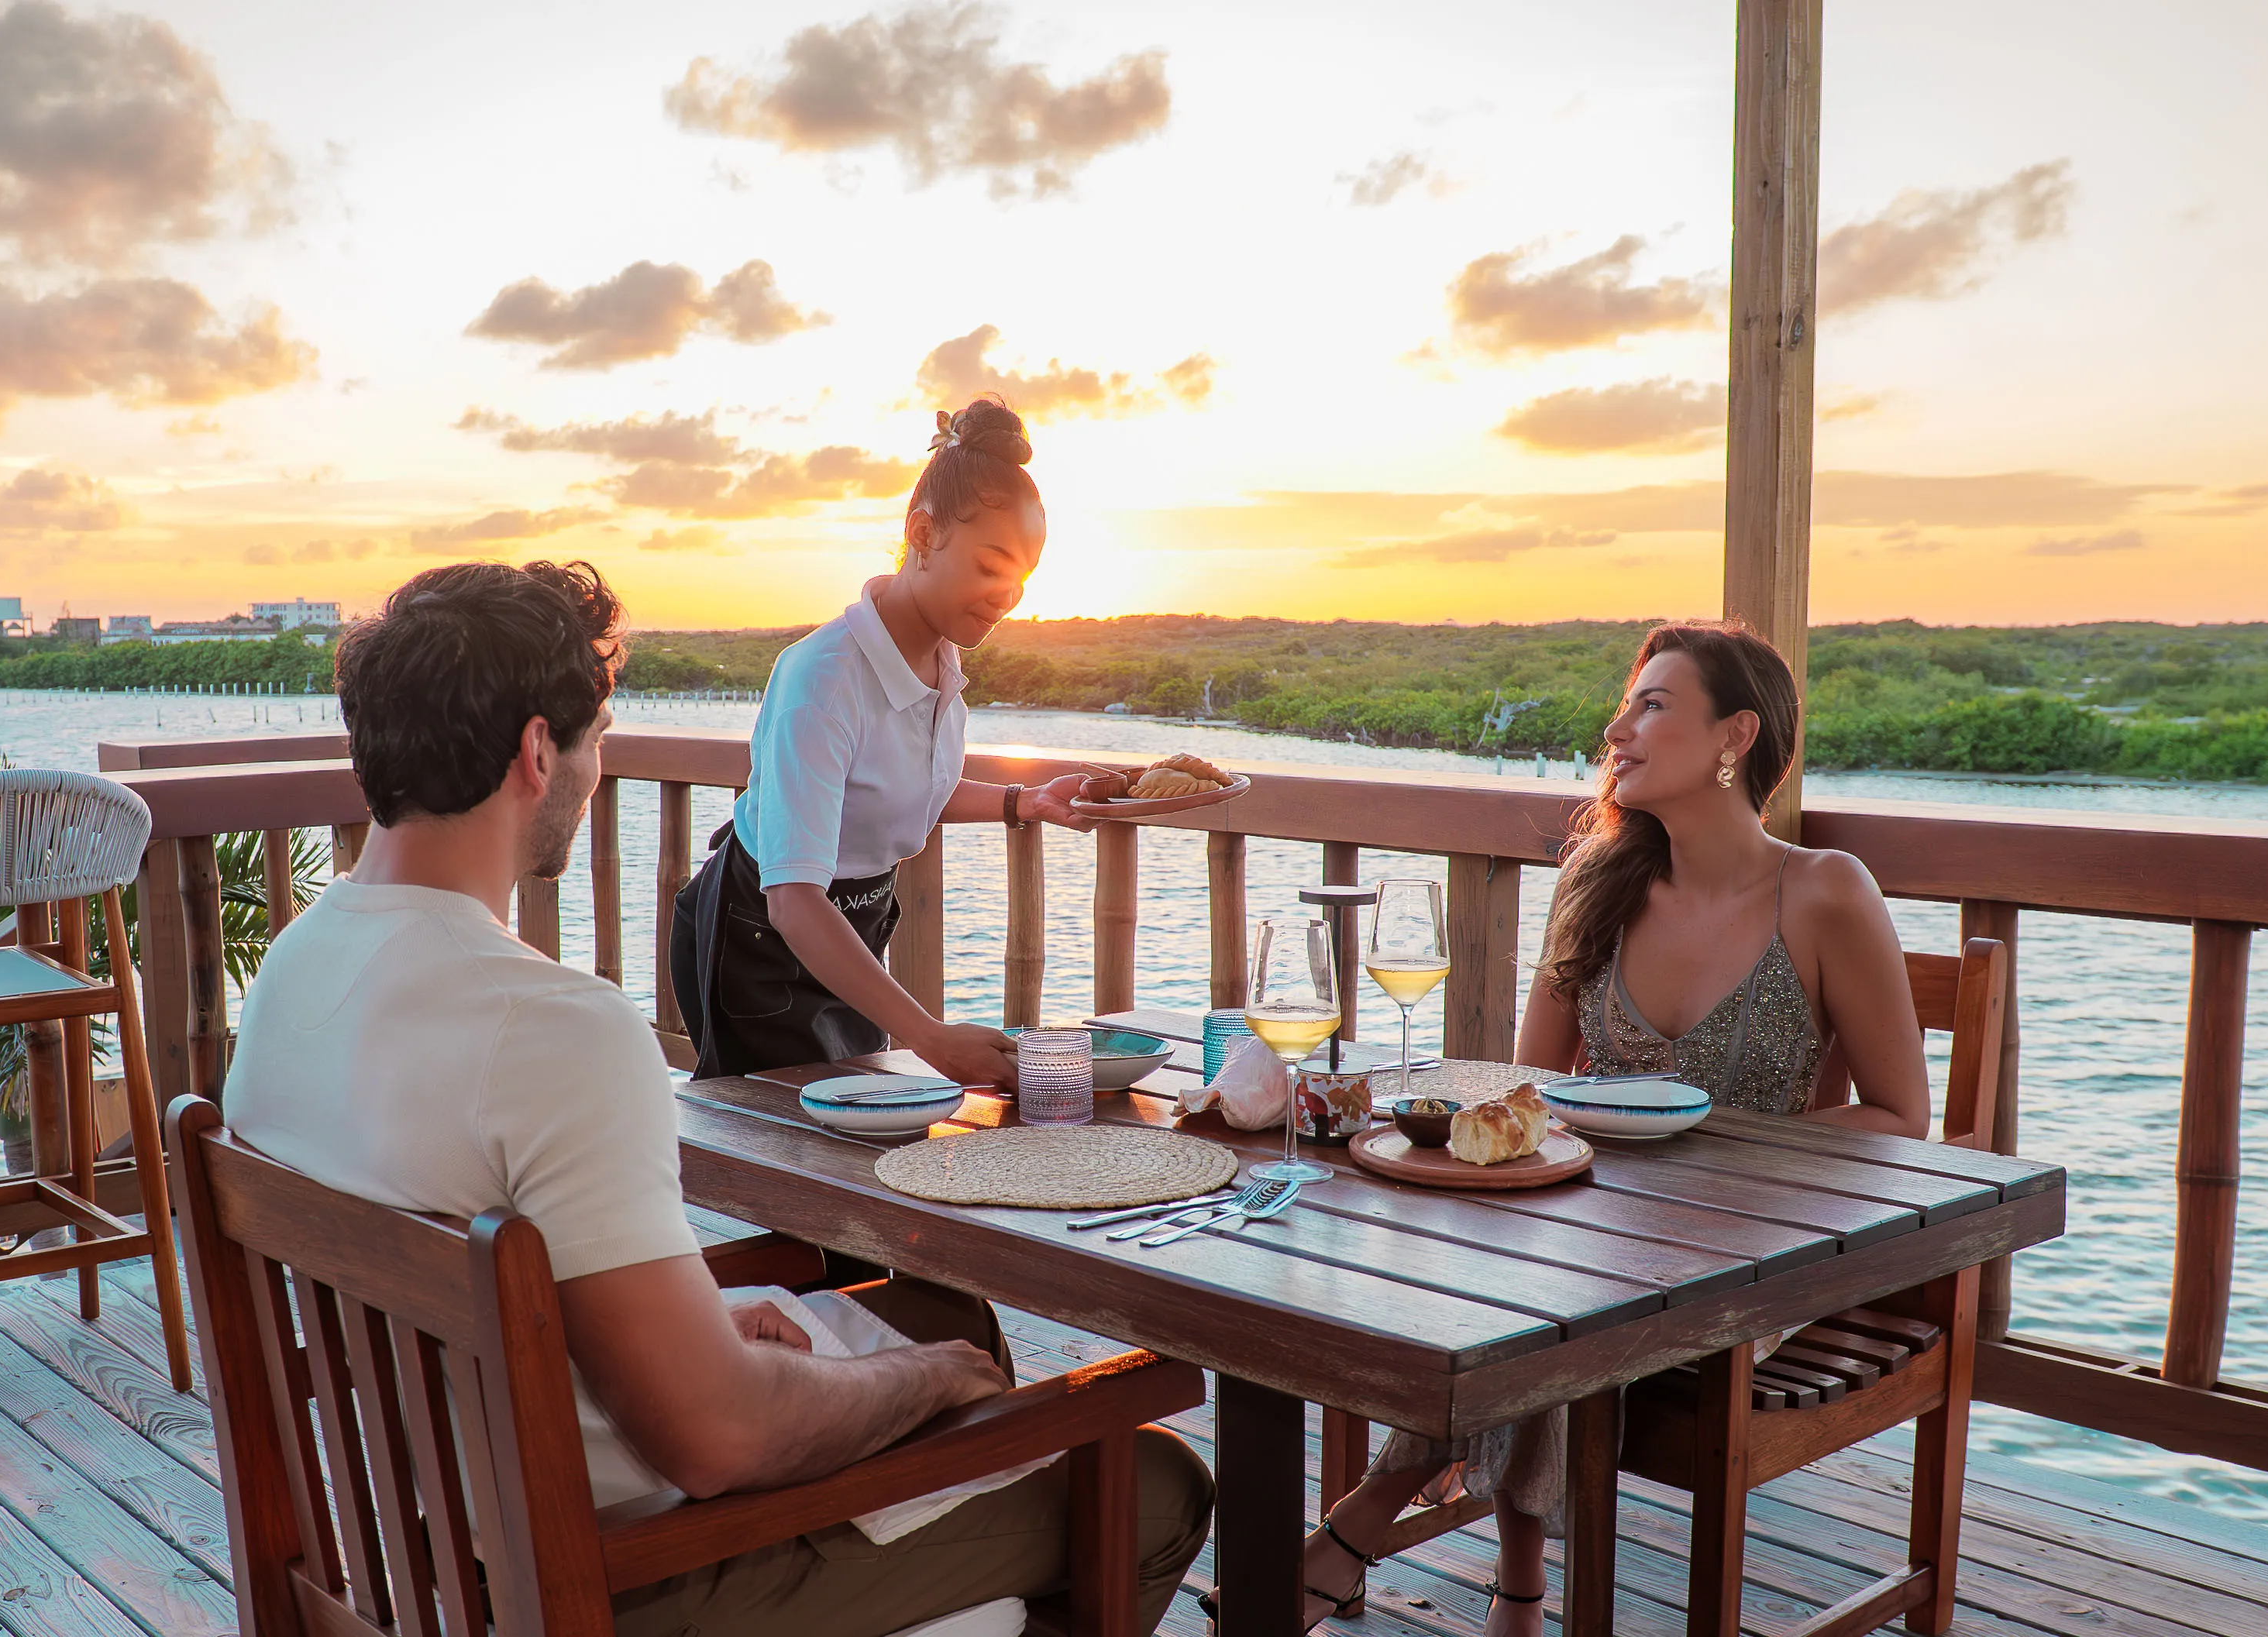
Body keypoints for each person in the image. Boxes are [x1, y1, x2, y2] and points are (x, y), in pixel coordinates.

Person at [224, 561, 1211, 1637]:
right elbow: (719, 1439)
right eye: (599, 739)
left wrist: (704, 1319)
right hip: (624, 1581)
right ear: (536, 752)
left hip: (421, 1558)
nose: (599, 769)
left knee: (935, 1311)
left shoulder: (292, 972)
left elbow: (481, 1254)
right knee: (1150, 1480)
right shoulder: (554, 1027)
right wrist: (925, 1382)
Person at [1290, 622, 1932, 1637]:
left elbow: (1903, 1116)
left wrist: (1721, 1164)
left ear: (1734, 736)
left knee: (1555, 1304)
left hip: (1760, 1252)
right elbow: (1530, 1086)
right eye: (1627, 703)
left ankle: (1367, 1537)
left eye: (1652, 705)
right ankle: (1516, 1589)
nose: (1616, 725)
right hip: (1597, 1233)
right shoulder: (1598, 876)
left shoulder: (1823, 891)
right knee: (1510, 1278)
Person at [669, 395, 1100, 1087]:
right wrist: (930, 1038)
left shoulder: (939, 663)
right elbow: (794, 897)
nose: (1008, 594)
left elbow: (898, 788)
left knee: (854, 1136)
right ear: (923, 533)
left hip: (852, 931)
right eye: (992, 566)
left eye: (1021, 577)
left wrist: (1025, 801)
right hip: (765, 936)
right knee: (785, 1148)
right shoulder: (824, 677)